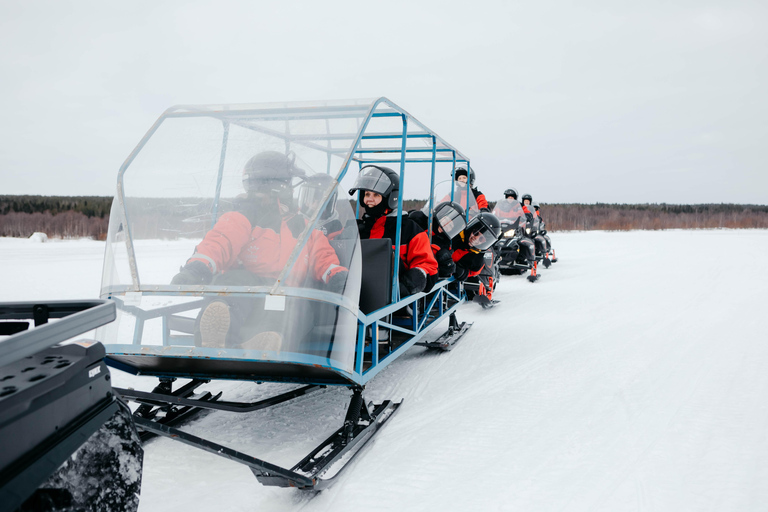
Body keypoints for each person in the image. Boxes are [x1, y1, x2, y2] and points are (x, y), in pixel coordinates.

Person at [171, 151, 348, 351]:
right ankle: (215, 335)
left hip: (285, 294)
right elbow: (220, 242)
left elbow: (322, 256)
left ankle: (267, 342)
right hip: (248, 289)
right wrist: (197, 268)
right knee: (231, 286)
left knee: (296, 310)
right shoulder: (243, 217)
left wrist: (337, 275)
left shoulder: (304, 227)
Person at [349, 165, 438, 297]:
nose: (369, 199)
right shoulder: (357, 228)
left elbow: (428, 266)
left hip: (392, 300)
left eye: (376, 195)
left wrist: (409, 283)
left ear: (390, 198)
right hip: (355, 295)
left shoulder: (410, 230)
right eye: (367, 194)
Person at [409, 201, 467, 278]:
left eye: (450, 226)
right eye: (446, 220)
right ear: (440, 215)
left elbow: (442, 269)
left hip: (417, 270)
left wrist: (447, 266)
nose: (445, 225)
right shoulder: (421, 221)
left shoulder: (444, 244)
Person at [450, 211, 501, 281]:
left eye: (481, 239)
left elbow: (474, 271)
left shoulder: (476, 258)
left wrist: (464, 273)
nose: (475, 239)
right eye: (476, 233)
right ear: (471, 229)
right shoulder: (456, 235)